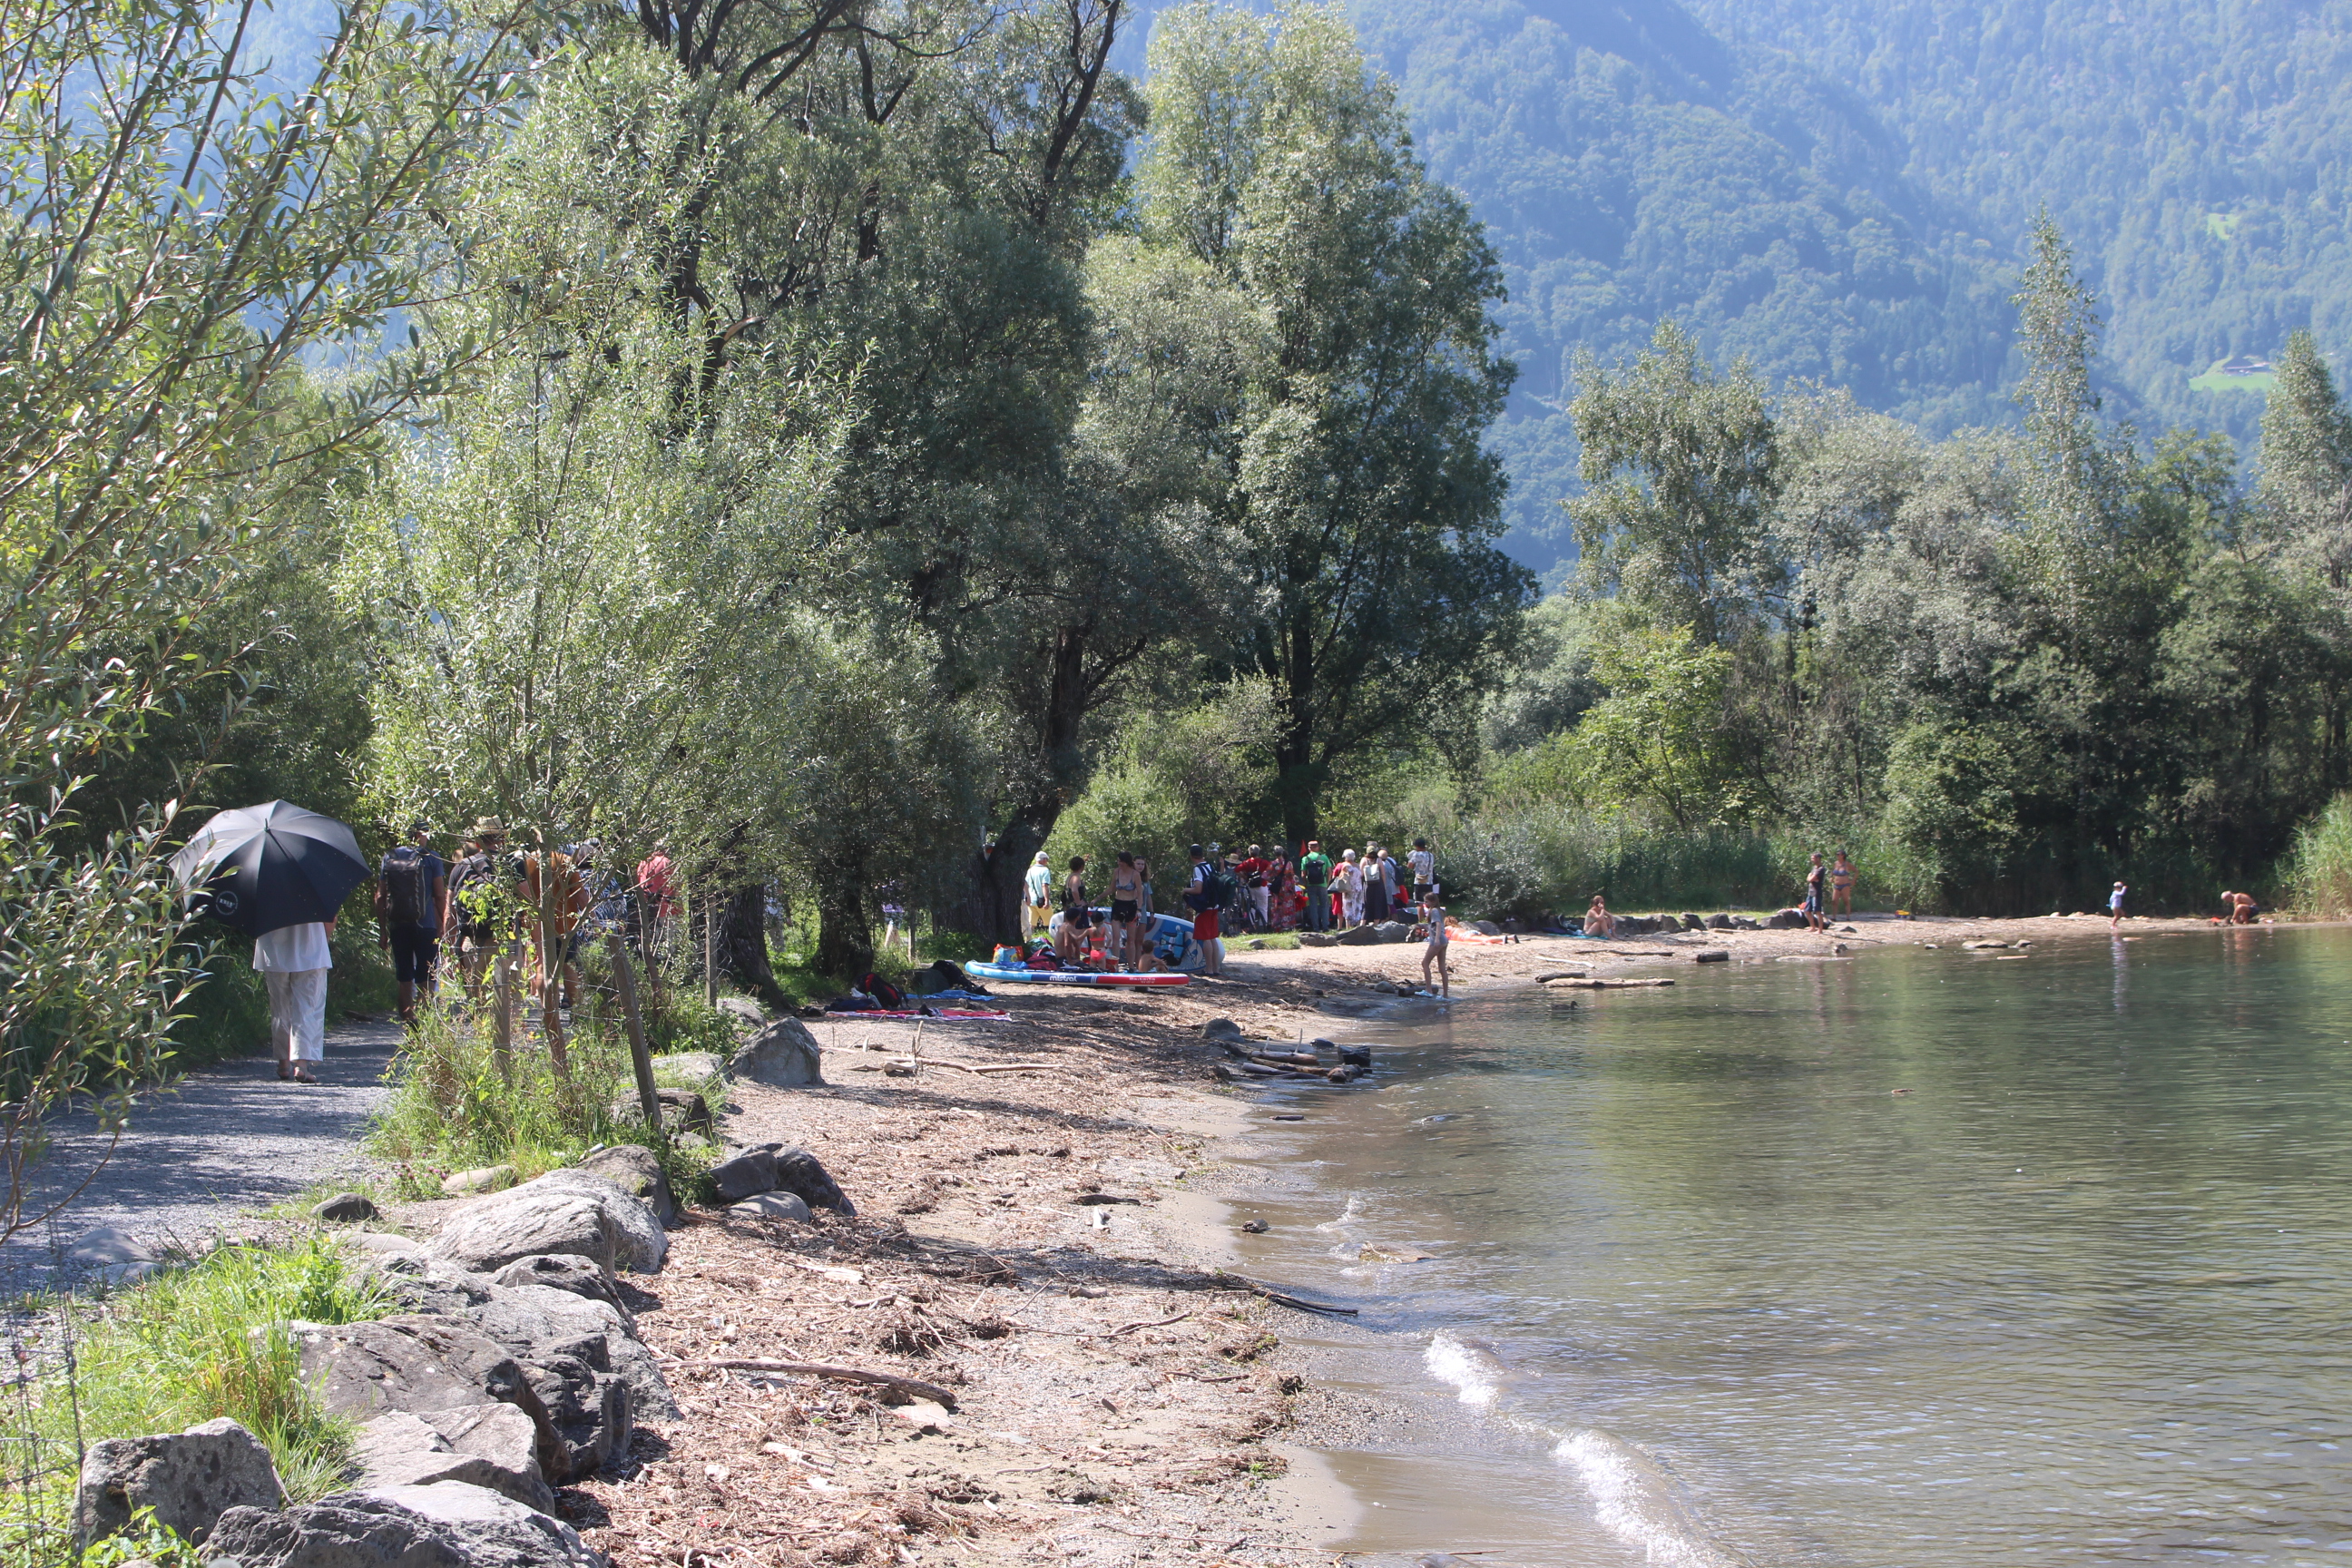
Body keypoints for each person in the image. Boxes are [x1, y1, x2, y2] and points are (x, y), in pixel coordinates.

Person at [375, 819, 445, 1025]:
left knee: (404, 974)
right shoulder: (431, 857)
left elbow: (380, 896)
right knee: (427, 975)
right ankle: (426, 1022)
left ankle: (409, 1021)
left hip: (398, 924)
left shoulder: (389, 857)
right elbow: (440, 895)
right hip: (426, 925)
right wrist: (443, 924)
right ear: (421, 834)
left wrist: (383, 931)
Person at [255, 914, 334, 1083]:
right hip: (311, 945)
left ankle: (283, 1062)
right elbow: (330, 915)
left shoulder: (266, 887)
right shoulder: (315, 886)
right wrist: (325, 939)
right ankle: (302, 1064)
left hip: (273, 943)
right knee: (309, 1006)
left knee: (280, 1006)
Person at [519, 841, 588, 1012]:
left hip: (536, 924)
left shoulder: (527, 860)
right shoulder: (565, 860)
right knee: (568, 965)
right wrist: (592, 918)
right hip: (565, 923)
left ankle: (548, 1009)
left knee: (541, 965)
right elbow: (579, 894)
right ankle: (574, 1008)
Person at [446, 818, 510, 1002]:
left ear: (476, 842)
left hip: (471, 941)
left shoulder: (461, 867)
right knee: (506, 1001)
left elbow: (449, 911)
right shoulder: (510, 865)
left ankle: (481, 1030)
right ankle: (506, 1031)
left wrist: (450, 947)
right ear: (502, 840)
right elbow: (528, 905)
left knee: (477, 1001)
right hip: (504, 942)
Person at [635, 841, 678, 961]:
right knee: (669, 942)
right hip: (667, 907)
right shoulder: (666, 863)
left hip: (647, 909)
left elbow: (640, 885)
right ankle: (669, 964)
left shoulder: (643, 863)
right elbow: (674, 886)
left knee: (651, 937)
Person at [1186, 844, 1224, 976]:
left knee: (1205, 938)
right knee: (1212, 937)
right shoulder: (1210, 866)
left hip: (1204, 907)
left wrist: (1185, 890)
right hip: (1214, 905)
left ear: (1191, 856)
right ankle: (1215, 968)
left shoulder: (1197, 869)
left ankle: (1208, 968)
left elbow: (1198, 889)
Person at [1109, 851, 1144, 969]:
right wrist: (1097, 898)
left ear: (1126, 862)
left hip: (1131, 906)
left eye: (1121, 861)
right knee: (1116, 936)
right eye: (1118, 861)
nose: (1119, 863)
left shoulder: (1135, 875)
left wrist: (1139, 909)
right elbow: (1111, 889)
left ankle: (1131, 966)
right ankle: (1115, 966)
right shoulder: (1116, 872)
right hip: (1118, 904)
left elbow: (1140, 894)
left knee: (1130, 939)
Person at [1299, 840, 1333, 932]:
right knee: (1324, 906)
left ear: (1309, 848)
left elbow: (1303, 874)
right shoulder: (1324, 857)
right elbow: (1329, 872)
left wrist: (1306, 884)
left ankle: (1316, 927)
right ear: (1318, 847)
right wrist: (1327, 883)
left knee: (1313, 906)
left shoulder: (1305, 859)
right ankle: (1325, 926)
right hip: (1322, 885)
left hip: (1311, 885)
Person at [1421, 900, 1451, 998]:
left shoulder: (1434, 911)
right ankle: (1445, 995)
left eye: (1426, 901)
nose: (1425, 903)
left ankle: (1428, 990)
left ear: (1432, 902)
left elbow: (1438, 924)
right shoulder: (1440, 910)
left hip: (1438, 941)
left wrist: (1436, 939)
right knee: (1442, 967)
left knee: (1425, 963)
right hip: (1444, 940)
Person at [1238, 845, 1271, 929]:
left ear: (1249, 853)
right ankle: (1263, 925)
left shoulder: (1247, 862)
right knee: (1263, 907)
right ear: (1259, 852)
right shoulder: (1264, 862)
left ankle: (1252, 925)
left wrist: (1244, 877)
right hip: (1262, 885)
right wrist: (1266, 877)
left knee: (1251, 907)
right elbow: (1271, 870)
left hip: (1250, 886)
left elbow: (1236, 870)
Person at [1023, 851, 1054, 940]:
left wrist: (1027, 897)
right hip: (1041, 901)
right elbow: (1044, 885)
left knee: (1031, 925)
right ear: (1043, 860)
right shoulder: (1045, 870)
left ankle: (1027, 942)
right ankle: (1056, 944)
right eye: (1046, 860)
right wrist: (1047, 901)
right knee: (1052, 923)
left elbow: (1026, 884)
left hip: (1030, 900)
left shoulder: (1029, 870)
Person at [1363, 843, 1389, 924]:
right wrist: (1384, 885)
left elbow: (1360, 873)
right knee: (1378, 903)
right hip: (1378, 884)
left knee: (1367, 905)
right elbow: (1383, 874)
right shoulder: (1379, 860)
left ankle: (1362, 924)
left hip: (1368, 885)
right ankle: (1376, 924)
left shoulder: (1364, 860)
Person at [1337, 848, 1364, 927]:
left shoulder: (1346, 866)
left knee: (1348, 907)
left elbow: (1341, 877)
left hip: (1348, 889)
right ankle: (1358, 925)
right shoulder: (1358, 866)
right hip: (1358, 889)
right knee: (1358, 907)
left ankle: (1348, 926)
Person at [1408, 838, 1435, 917]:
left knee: (1419, 903)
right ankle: (1430, 919)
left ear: (1417, 846)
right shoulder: (1431, 855)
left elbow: (1409, 866)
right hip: (1429, 881)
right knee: (1430, 902)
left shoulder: (1417, 854)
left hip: (1419, 881)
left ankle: (1421, 921)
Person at [1803, 852, 1828, 933]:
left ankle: (1820, 929)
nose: (1812, 860)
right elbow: (1809, 877)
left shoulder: (1821, 869)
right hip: (1810, 892)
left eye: (1813, 858)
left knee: (1817, 911)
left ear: (1818, 859)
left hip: (1816, 892)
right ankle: (1812, 927)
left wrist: (1811, 877)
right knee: (1807, 910)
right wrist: (1811, 877)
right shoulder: (1814, 868)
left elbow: (1811, 878)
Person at [1830, 850, 1856, 916]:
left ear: (1843, 855)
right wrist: (1831, 877)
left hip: (1845, 885)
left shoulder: (1847, 864)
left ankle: (1848, 916)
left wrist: (1853, 880)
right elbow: (1832, 871)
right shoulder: (1836, 863)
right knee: (1834, 901)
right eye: (1837, 854)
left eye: (1839, 854)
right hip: (1836, 885)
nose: (1837, 856)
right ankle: (1834, 916)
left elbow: (1856, 871)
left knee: (1846, 901)